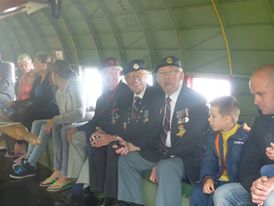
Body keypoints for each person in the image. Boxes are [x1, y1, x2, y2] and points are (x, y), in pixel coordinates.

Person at [117, 56, 209, 206]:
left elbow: (193, 139)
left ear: (181, 75)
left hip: (185, 156)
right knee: (126, 160)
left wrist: (164, 158)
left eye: (172, 72)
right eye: (162, 74)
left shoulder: (196, 101)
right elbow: (149, 129)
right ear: (157, 78)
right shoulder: (157, 98)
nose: (166, 77)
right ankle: (131, 203)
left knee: (166, 167)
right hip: (160, 151)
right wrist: (136, 145)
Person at [54, 57, 129, 206]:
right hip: (100, 133)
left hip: (116, 137)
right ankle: (75, 180)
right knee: (76, 138)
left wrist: (106, 133)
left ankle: (80, 189)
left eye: (115, 71)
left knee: (96, 145)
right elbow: (95, 120)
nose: (111, 75)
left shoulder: (128, 93)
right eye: (106, 72)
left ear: (120, 73)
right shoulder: (102, 97)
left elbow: (127, 123)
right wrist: (76, 129)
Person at [9, 60, 86, 183]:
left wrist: (55, 120)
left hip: (82, 121)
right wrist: (56, 121)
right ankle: (36, 161)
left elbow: (80, 113)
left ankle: (61, 171)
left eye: (51, 74)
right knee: (38, 123)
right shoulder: (59, 91)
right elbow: (63, 115)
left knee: (59, 127)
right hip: (69, 120)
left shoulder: (75, 85)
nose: (50, 77)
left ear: (56, 74)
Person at [213, 64, 274, 206]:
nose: (255, 101)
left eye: (261, 94)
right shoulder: (259, 123)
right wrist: (254, 184)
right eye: (254, 94)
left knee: (270, 199)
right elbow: (248, 163)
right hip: (265, 184)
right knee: (223, 194)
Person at [190, 96, 249, 206]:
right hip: (217, 179)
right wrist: (208, 178)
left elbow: (248, 169)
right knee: (198, 194)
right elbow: (209, 159)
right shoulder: (212, 136)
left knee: (214, 197)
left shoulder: (246, 137)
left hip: (235, 183)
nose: (209, 119)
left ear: (226, 119)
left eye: (213, 116)